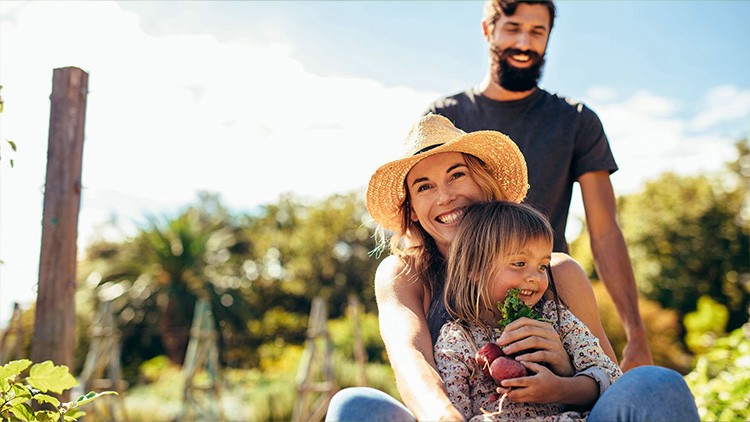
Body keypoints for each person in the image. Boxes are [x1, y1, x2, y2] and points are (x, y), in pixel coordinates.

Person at [325, 113, 698, 421]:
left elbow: (610, 384)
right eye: (424, 187)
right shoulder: (405, 274)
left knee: (657, 384)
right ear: (413, 211)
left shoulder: (559, 274)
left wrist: (564, 372)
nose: (445, 196)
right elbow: (413, 361)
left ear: (485, 183)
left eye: (457, 174)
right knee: (354, 407)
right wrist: (447, 418)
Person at [425, 0, 652, 371]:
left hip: (545, 298)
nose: (525, 43)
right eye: (513, 28)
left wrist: (636, 333)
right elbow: (423, 215)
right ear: (488, 30)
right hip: (460, 304)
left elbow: (605, 230)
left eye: (537, 32)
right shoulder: (447, 118)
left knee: (600, 390)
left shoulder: (576, 121)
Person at [435, 200, 622, 421]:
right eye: (520, 264)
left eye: (542, 266)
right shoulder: (458, 340)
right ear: (475, 268)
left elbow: (612, 381)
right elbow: (454, 409)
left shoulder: (557, 321)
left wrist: (561, 387)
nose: (535, 277)